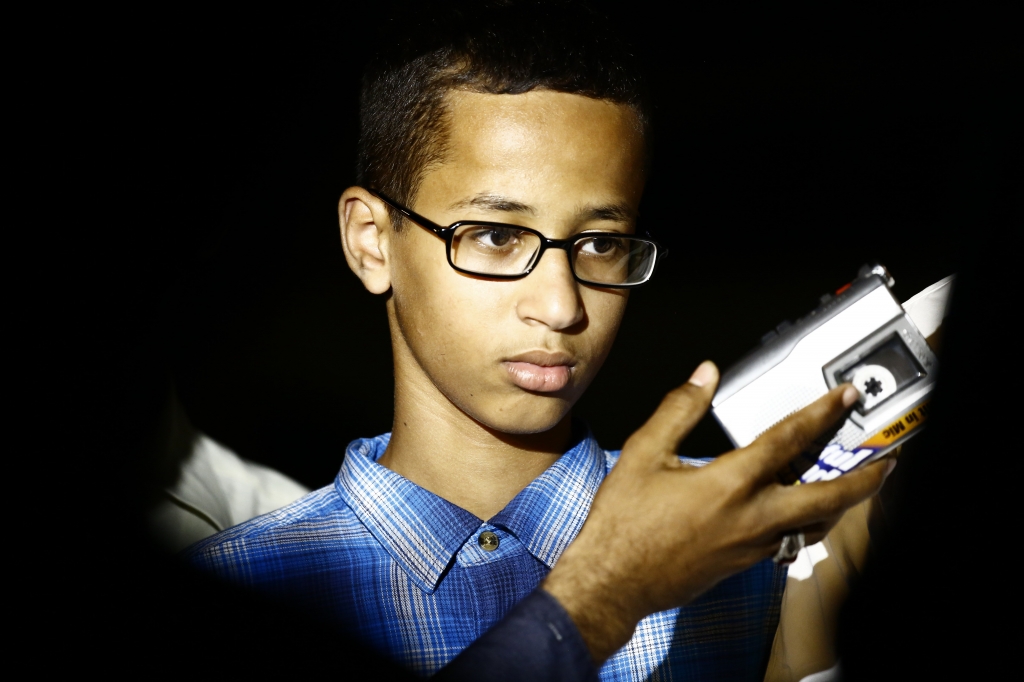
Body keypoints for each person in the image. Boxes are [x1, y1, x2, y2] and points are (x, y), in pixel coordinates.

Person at [184, 2, 891, 678]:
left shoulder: (764, 547)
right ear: (372, 243)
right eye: (494, 236)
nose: (560, 306)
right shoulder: (247, 584)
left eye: (600, 244)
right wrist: (606, 592)